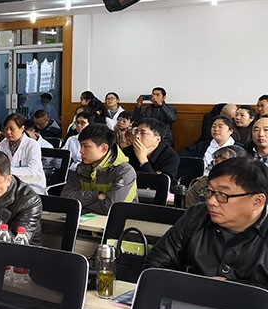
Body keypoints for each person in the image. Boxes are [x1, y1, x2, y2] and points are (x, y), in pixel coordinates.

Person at [145, 158, 268, 289]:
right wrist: (198, 286)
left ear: (257, 201)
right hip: (184, 297)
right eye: (209, 191)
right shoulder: (196, 216)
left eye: (222, 194)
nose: (211, 201)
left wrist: (231, 288)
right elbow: (154, 265)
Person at [62, 123, 138, 215]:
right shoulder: (81, 168)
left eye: (86, 146)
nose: (81, 151)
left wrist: (80, 206)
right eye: (80, 146)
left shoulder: (125, 172)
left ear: (104, 148)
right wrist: (96, 196)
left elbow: (111, 208)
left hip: (118, 222)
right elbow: (66, 198)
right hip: (84, 221)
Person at [0, 113, 46, 194]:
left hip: (32, 186)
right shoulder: (1, 145)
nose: (8, 132)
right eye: (6, 129)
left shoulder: (32, 145)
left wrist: (7, 171)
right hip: (10, 185)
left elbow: (32, 171)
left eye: (12, 129)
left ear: (22, 128)